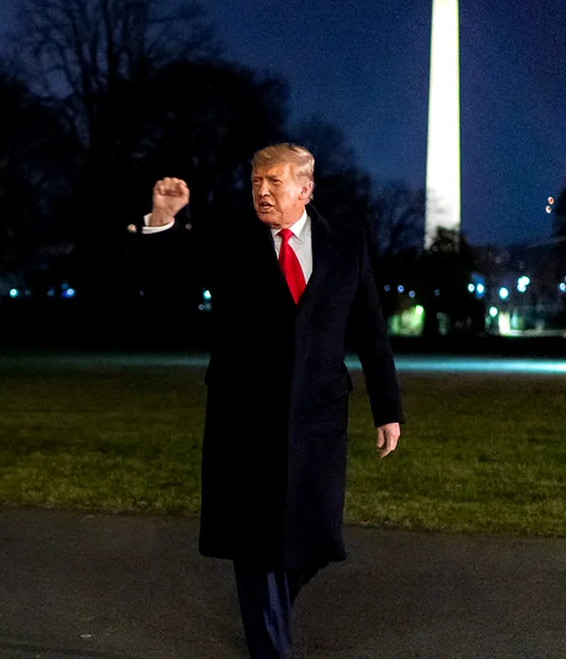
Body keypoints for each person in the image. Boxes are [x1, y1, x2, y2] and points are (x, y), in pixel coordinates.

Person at [141, 143, 402, 659]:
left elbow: (371, 329)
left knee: (314, 540)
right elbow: (169, 279)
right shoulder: (230, 238)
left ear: (305, 188)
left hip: (319, 419)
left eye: (274, 182)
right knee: (256, 541)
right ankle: (271, 648)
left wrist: (387, 409)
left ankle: (271, 617)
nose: (262, 192)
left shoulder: (346, 241)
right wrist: (162, 221)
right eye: (256, 182)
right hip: (245, 417)